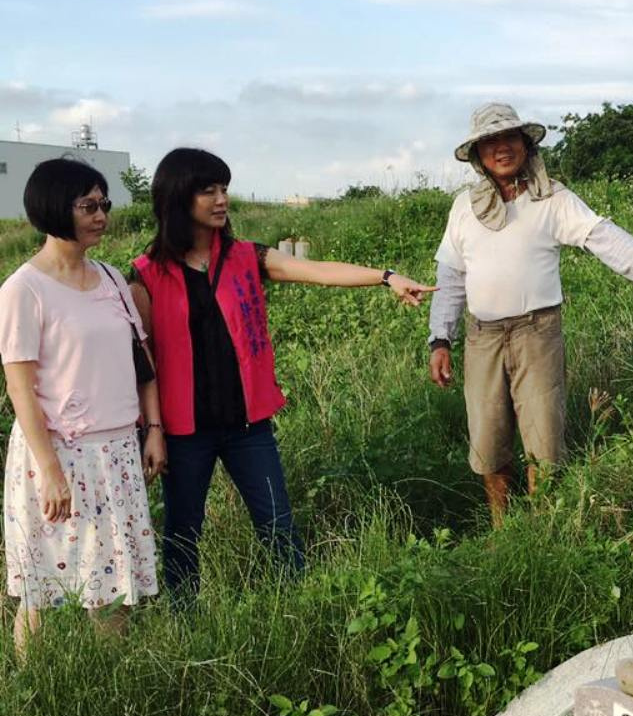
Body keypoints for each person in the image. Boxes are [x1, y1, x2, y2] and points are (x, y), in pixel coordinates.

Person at [129, 147, 434, 595]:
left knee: (278, 526)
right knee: (182, 536)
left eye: (224, 189)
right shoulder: (146, 274)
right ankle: (185, 623)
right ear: (178, 198)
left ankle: (296, 603)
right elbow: (145, 364)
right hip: (183, 431)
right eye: (208, 190)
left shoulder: (245, 257)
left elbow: (314, 270)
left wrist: (386, 276)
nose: (221, 200)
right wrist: (152, 428)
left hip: (248, 426)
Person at [427, 103, 633, 525]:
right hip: (482, 337)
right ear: (478, 155)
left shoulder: (552, 198)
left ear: (526, 144)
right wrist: (440, 339)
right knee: (487, 439)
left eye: (510, 138)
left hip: (537, 333)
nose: (502, 149)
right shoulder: (465, 207)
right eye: (490, 142)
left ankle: (543, 528)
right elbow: (451, 276)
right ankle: (502, 528)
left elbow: (600, 234)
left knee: (544, 441)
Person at [1, 159, 165, 654]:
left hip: (116, 450)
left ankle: (109, 680)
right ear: (55, 208)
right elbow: (20, 389)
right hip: (56, 456)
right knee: (40, 585)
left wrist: (152, 428)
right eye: (87, 205)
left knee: (114, 585)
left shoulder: (114, 279)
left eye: (104, 204)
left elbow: (142, 361)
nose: (101, 215)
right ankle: (33, 690)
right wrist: (49, 470)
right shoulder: (23, 289)